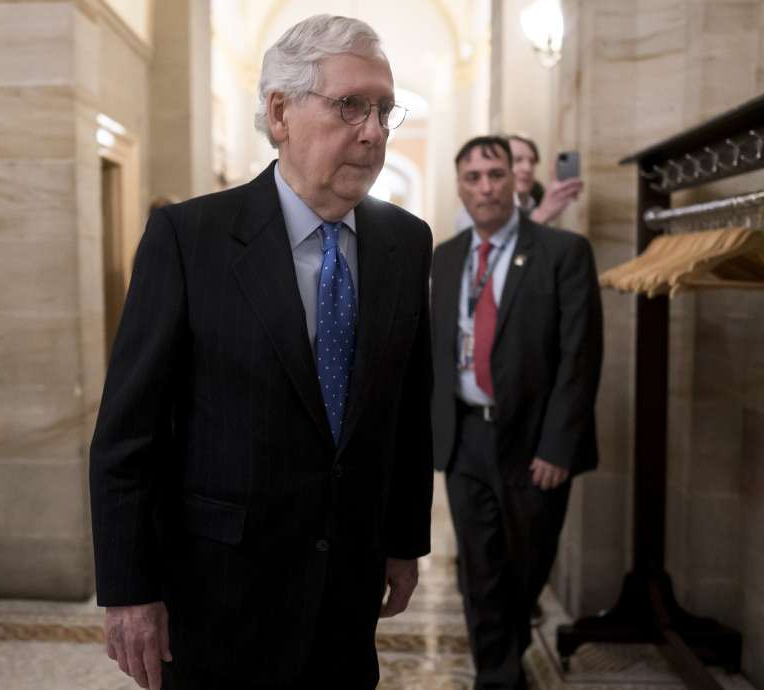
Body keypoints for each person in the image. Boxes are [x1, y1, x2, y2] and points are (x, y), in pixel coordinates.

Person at [90, 14, 434, 690]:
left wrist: (403, 541)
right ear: (279, 112)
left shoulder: (405, 242)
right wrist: (130, 590)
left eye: (384, 110)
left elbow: (407, 409)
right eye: (350, 106)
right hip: (221, 592)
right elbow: (128, 435)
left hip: (346, 589)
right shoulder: (190, 239)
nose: (372, 131)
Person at [431, 136, 602, 689]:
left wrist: (559, 446)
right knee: (478, 570)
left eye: (495, 174)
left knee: (525, 566)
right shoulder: (446, 257)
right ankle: (497, 676)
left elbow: (580, 357)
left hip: (533, 443)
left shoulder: (562, 253)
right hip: (465, 439)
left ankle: (508, 650)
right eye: (473, 177)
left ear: (516, 181)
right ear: (460, 186)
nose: (485, 187)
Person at [507, 133, 584, 227]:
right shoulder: (492, 208)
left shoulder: (538, 199)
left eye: (532, 161)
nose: (528, 168)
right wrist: (542, 214)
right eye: (517, 160)